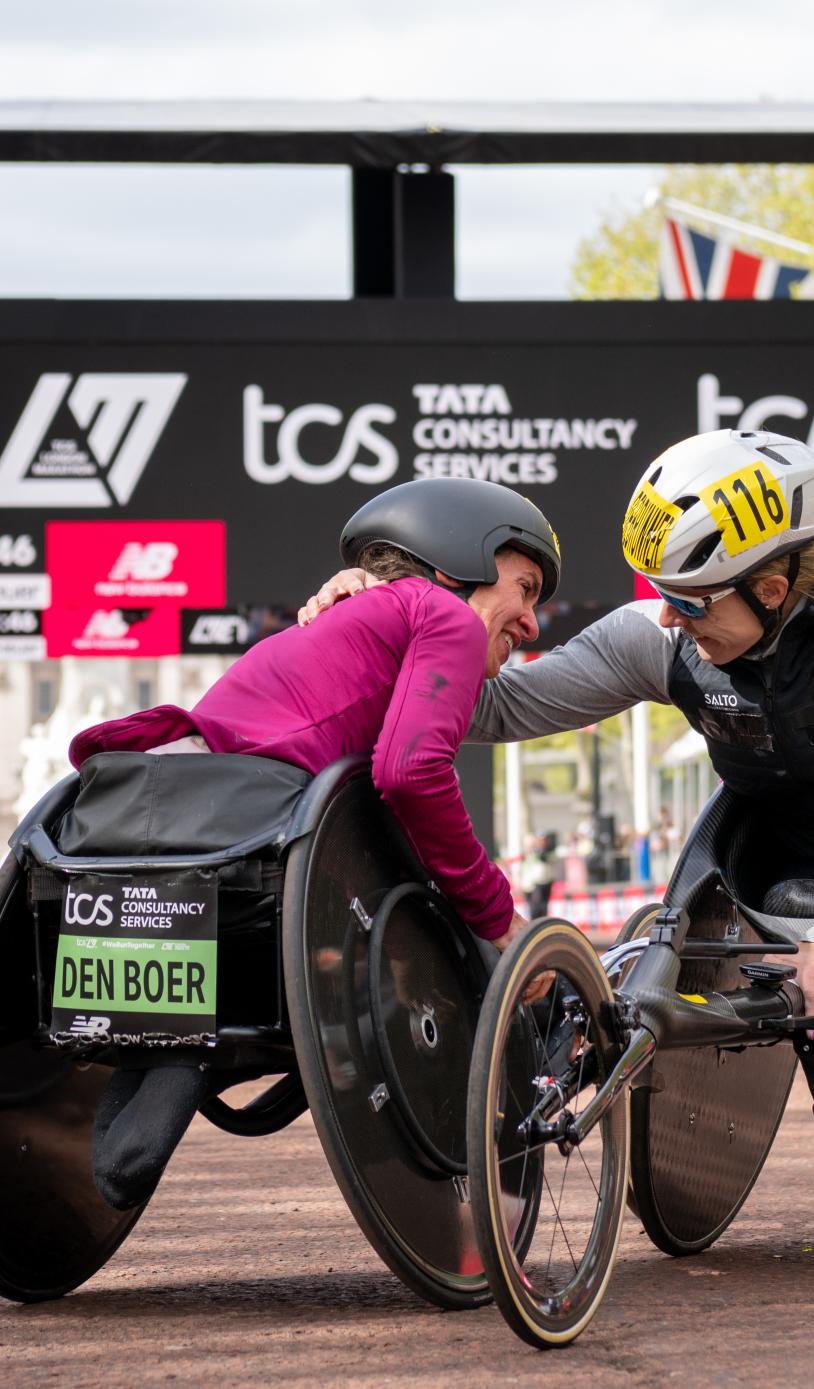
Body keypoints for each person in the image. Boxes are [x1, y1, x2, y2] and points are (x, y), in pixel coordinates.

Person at [67, 476, 561, 1208]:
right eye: (524, 588)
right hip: (244, 831)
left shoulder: (358, 616)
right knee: (472, 931)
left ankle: (173, 1050)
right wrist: (499, 916)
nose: (532, 622)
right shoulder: (445, 617)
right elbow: (411, 772)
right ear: (461, 565)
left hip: (146, 814)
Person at [300, 428, 814, 1028]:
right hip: (769, 870)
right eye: (661, 592)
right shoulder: (657, 643)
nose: (670, 616)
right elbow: (491, 705)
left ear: (771, 591)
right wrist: (378, 618)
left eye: (692, 600)